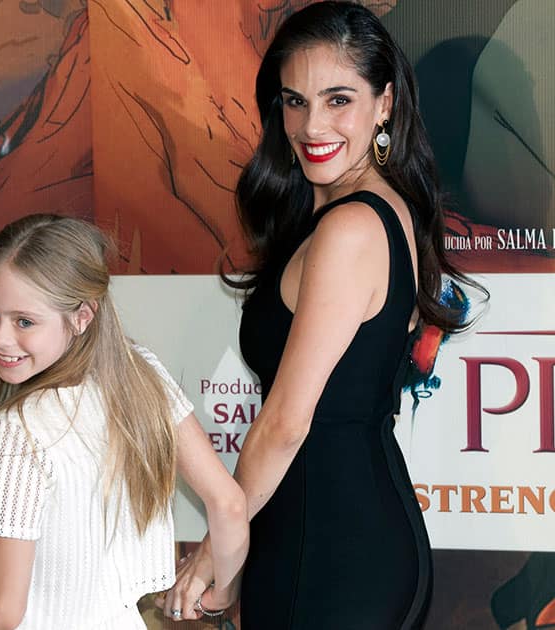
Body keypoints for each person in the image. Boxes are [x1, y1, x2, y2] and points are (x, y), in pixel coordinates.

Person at [166, 2, 481, 628]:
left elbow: (285, 423)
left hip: (332, 550)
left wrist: (215, 554)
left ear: (384, 104)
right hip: (339, 532)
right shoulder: (376, 211)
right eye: (294, 100)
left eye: (339, 99)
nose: (312, 125)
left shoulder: (351, 228)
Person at [0, 214, 249, 629]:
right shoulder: (142, 376)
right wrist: (219, 594)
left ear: (82, 316)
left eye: (24, 321)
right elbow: (229, 503)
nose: (0, 337)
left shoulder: (17, 427)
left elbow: (1, 612)